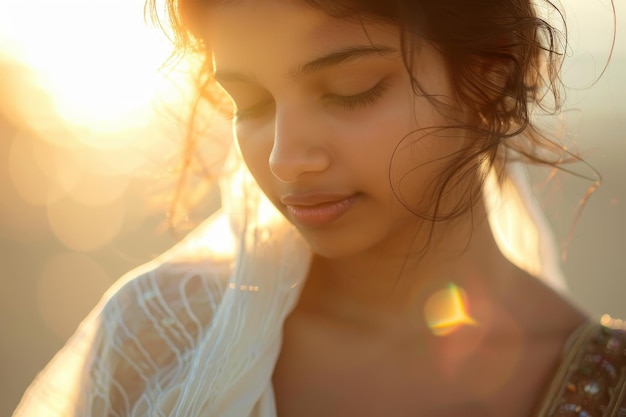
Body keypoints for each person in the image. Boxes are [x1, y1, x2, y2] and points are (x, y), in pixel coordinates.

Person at [12, 0, 624, 416]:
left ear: (490, 77)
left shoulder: (609, 387)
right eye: (249, 103)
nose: (284, 157)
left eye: (349, 91)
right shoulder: (160, 342)